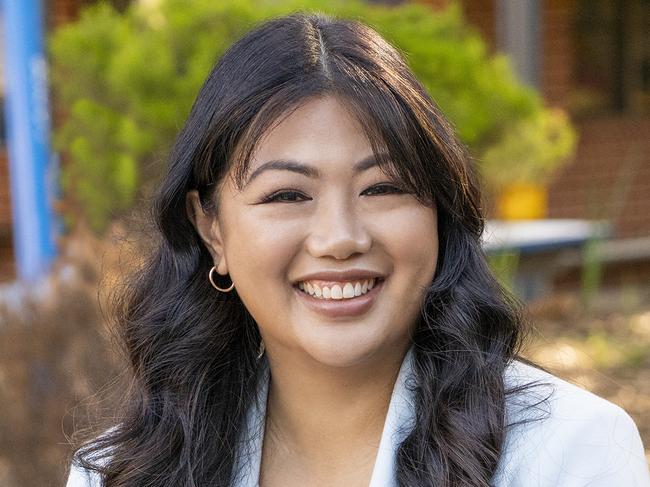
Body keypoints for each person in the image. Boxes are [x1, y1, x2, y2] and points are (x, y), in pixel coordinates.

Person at [65, 11, 650, 487]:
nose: (341, 238)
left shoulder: (568, 453)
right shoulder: (118, 474)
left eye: (384, 188)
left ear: (439, 213)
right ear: (211, 229)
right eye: (288, 194)